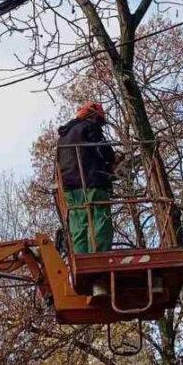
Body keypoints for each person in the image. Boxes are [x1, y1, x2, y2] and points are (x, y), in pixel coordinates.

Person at [56, 101, 117, 255]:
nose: (99, 125)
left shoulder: (62, 138)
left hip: (69, 186)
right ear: (93, 116)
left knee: (79, 223)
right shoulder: (90, 126)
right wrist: (112, 162)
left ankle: (81, 257)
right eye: (99, 121)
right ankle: (99, 256)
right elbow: (105, 151)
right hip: (92, 181)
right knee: (100, 219)